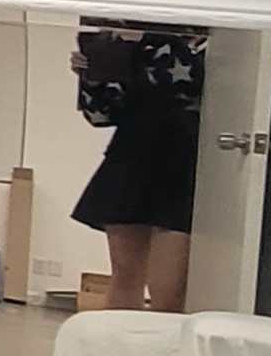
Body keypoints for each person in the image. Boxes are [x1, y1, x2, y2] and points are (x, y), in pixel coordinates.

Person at [71, 21, 206, 310]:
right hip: (133, 153)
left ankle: (162, 351)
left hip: (187, 157)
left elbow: (187, 82)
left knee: (169, 289)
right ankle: (117, 351)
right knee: (125, 274)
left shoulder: (214, 40)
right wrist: (92, 75)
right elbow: (100, 115)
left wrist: (144, 44)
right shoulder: (119, 39)